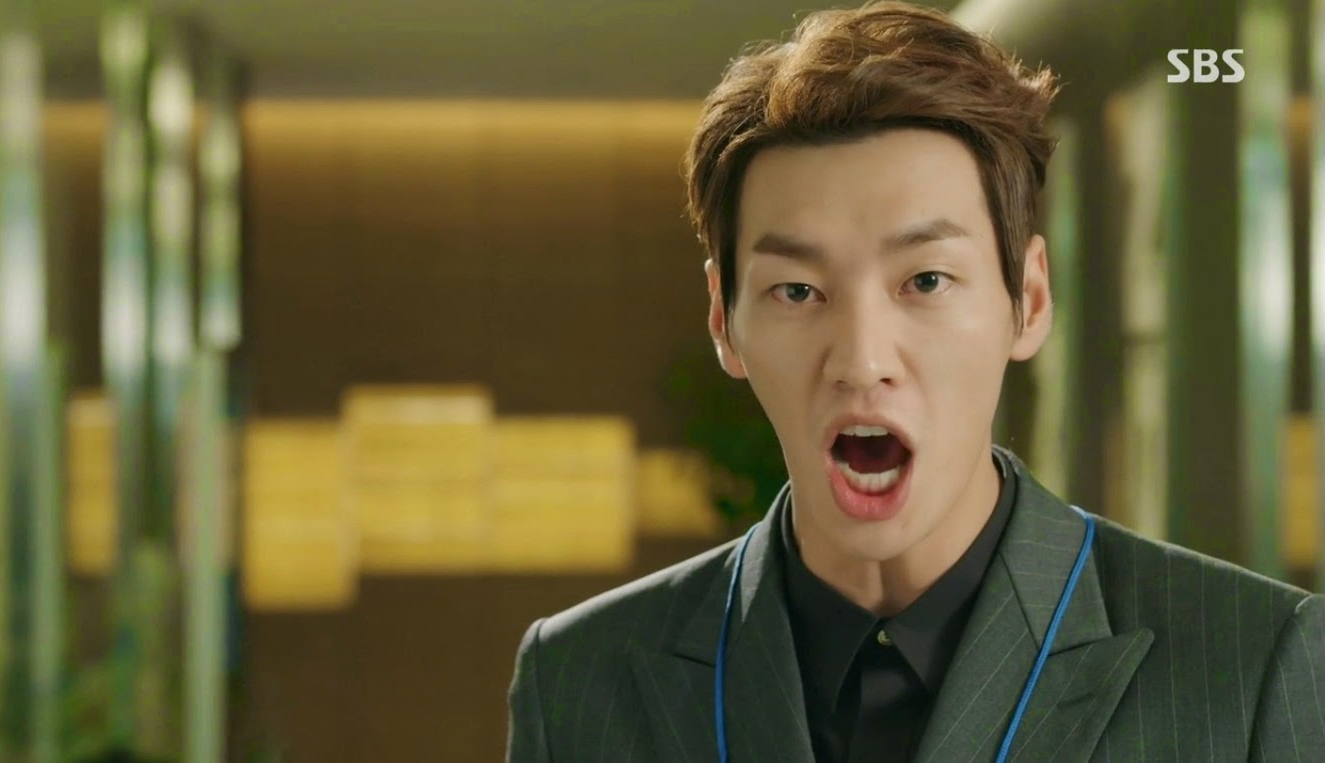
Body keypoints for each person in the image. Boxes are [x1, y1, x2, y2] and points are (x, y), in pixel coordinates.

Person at [505, 2, 1325, 760]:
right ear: (724, 318)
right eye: (798, 291)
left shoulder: (1254, 663)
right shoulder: (578, 680)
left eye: (926, 280)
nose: (862, 360)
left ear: (1030, 300)